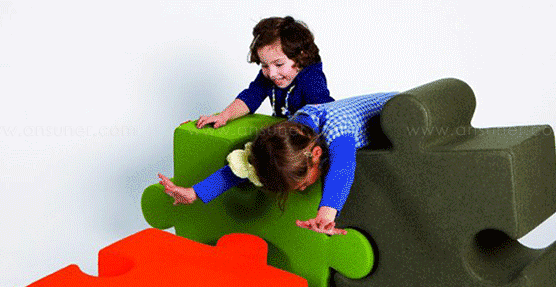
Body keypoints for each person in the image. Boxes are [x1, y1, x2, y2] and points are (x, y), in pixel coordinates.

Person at [159, 92, 400, 235]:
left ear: (317, 154)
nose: (303, 189)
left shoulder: (339, 131)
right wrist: (195, 192)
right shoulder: (288, 137)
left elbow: (343, 167)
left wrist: (326, 213)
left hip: (395, 112)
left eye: (302, 184)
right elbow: (244, 168)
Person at [196, 16, 333, 129]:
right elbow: (250, 96)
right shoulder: (268, 76)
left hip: (307, 135)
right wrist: (223, 116)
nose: (272, 73)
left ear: (301, 56)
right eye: (265, 65)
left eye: (279, 64)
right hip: (285, 132)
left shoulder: (311, 78)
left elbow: (322, 113)